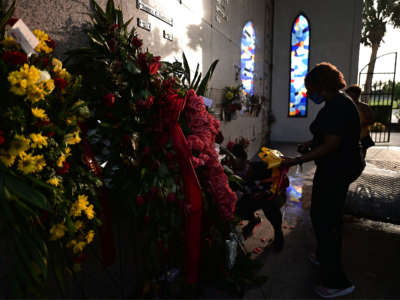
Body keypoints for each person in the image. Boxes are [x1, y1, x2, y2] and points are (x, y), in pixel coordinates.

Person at [281, 62, 365, 298]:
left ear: (321, 86)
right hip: (337, 166)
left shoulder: (337, 105)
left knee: (325, 218)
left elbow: (331, 144)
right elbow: (327, 134)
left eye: (310, 88)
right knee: (326, 214)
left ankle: (337, 281)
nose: (309, 94)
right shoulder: (336, 102)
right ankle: (323, 255)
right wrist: (309, 143)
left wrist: (298, 160)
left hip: (338, 167)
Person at [231, 144, 285, 252]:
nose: (231, 163)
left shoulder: (261, 168)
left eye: (234, 160)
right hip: (253, 196)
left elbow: (278, 182)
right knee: (239, 209)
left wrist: (266, 192)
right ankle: (254, 220)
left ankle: (278, 235)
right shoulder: (234, 173)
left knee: (272, 211)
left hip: (271, 196)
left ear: (243, 159)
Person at [344, 84, 374, 157]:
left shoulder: (364, 107)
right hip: (348, 138)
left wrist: (358, 125)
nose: (347, 96)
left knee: (361, 157)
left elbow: (371, 120)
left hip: (362, 137)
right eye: (347, 94)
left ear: (356, 95)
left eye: (349, 94)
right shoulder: (345, 106)